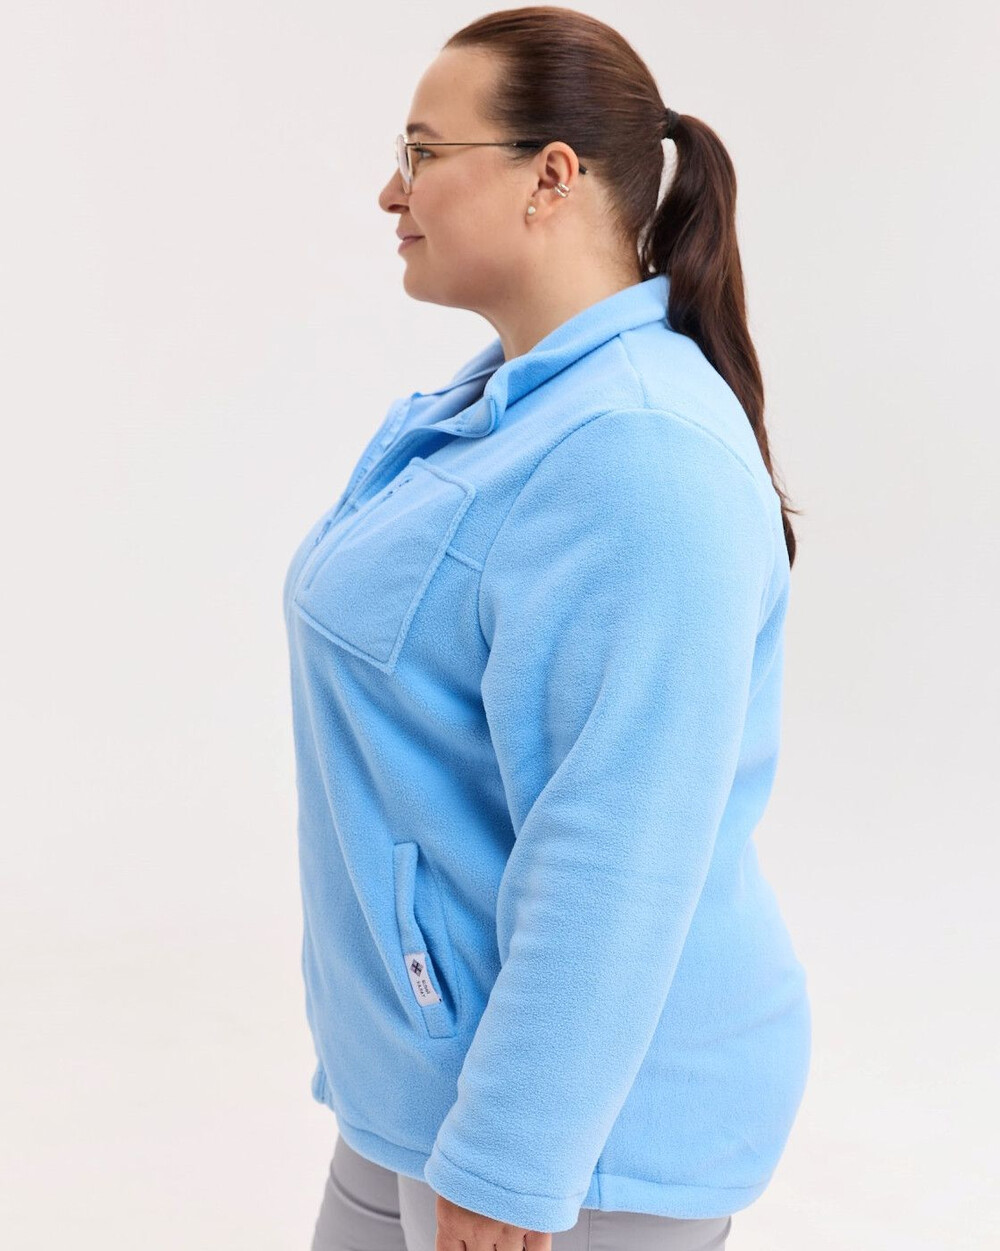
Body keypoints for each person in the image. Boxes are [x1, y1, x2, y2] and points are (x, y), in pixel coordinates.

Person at [284, 8, 812, 1250]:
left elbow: (615, 846)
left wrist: (512, 1157)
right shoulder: (511, 407)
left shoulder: (639, 457)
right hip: (419, 1088)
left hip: (572, 1147)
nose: (391, 191)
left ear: (551, 176)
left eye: (422, 152)